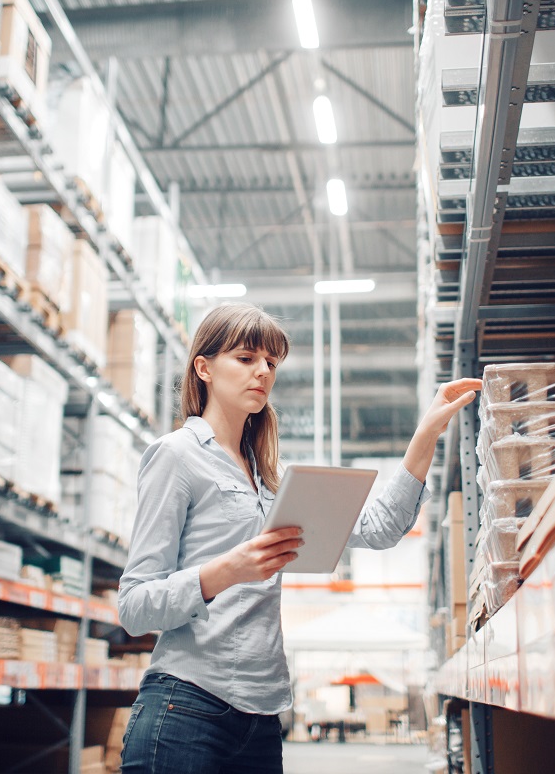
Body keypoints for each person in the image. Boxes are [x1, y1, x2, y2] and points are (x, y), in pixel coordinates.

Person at [117, 303, 481, 774]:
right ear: (203, 368)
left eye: (271, 362)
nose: (263, 372)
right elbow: (134, 605)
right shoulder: (176, 457)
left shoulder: (272, 478)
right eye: (246, 358)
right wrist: (227, 571)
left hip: (262, 718)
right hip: (186, 707)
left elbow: (380, 528)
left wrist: (427, 431)